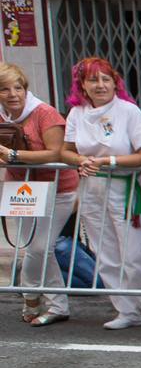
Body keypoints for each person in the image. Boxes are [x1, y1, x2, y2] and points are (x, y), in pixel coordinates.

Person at [58, 57, 141, 330]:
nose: (100, 85)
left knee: (134, 252)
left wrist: (108, 162)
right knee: (106, 252)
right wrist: (80, 161)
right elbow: (65, 150)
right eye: (93, 80)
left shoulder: (128, 111)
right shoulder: (77, 114)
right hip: (92, 186)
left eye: (105, 79)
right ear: (82, 86)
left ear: (115, 83)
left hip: (126, 187)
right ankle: (126, 310)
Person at [0, 62, 80, 326]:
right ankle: (58, 305)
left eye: (18, 87)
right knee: (34, 249)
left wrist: (13, 155)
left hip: (57, 188)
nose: (13, 94)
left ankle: (31, 297)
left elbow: (56, 152)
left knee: (39, 247)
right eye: (4, 89)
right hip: (20, 189)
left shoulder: (44, 113)